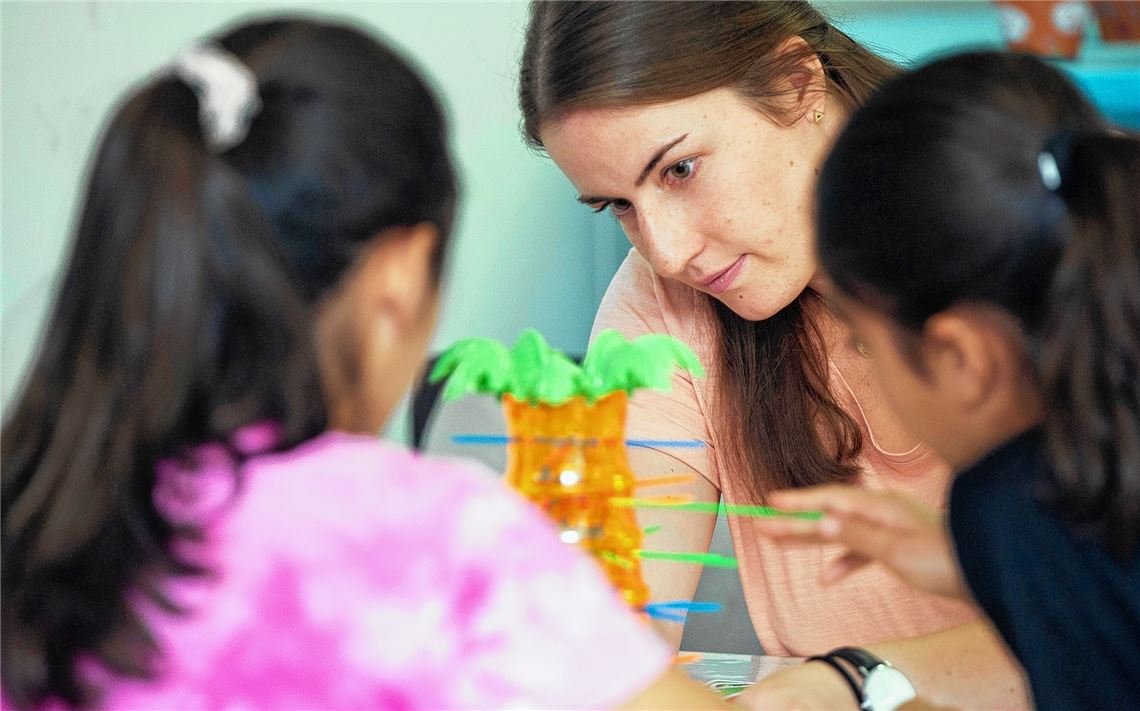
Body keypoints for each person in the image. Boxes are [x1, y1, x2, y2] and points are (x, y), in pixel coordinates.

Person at [0, 18, 728, 710]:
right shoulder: (433, 542)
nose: (665, 252)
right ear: (401, 277)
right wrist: (835, 676)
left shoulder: (36, 513)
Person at [519, 1, 1028, 708]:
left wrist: (847, 679)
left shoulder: (1039, 238)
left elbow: (1108, 618)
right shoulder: (662, 303)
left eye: (680, 169)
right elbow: (607, 643)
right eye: (618, 206)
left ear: (797, 85)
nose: (667, 253)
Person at [751, 51, 1140, 710]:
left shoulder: (1015, 499)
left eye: (863, 337)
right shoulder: (1093, 472)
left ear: (962, 359)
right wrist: (971, 562)